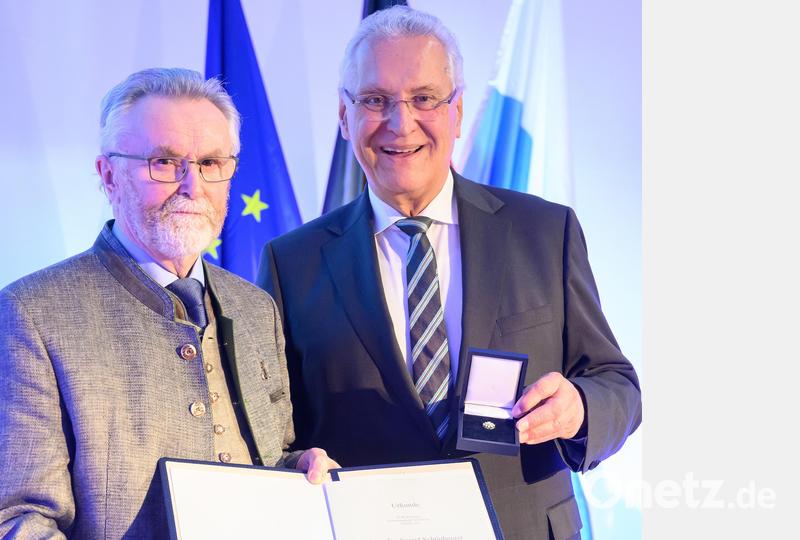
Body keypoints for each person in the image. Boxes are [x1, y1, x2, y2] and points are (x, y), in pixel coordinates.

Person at [256, 7, 640, 539]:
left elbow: (617, 385)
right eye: (374, 100)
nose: (400, 121)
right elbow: (272, 430)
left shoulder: (545, 231)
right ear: (343, 118)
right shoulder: (290, 261)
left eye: (424, 98)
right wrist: (295, 463)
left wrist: (579, 408)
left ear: (456, 111)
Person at [0, 67, 337, 538]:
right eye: (163, 161)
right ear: (108, 175)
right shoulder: (32, 313)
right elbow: (17, 520)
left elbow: (267, 453)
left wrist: (298, 468)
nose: (191, 186)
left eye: (212, 163)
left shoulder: (256, 307)